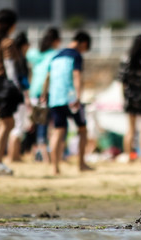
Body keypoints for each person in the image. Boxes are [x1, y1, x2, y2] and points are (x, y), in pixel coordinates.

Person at [41, 31, 93, 175]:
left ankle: (54, 168)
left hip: (55, 98)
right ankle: (81, 164)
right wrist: (78, 96)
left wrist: (44, 94)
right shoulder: (76, 55)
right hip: (71, 98)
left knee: (58, 131)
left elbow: (47, 77)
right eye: (85, 48)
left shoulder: (55, 56)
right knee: (82, 129)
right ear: (83, 43)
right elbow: (77, 75)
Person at [0, 8, 24, 176]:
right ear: (12, 25)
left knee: (6, 124)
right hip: (4, 85)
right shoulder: (7, 42)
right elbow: (9, 67)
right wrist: (16, 85)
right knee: (7, 124)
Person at [26, 27, 61, 163]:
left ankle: (38, 154)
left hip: (34, 92)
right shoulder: (55, 55)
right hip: (46, 93)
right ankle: (47, 157)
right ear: (56, 41)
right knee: (49, 125)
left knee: (39, 124)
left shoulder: (36, 55)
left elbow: (28, 53)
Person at [117, 34, 141, 163]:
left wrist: (124, 97)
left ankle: (128, 156)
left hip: (129, 96)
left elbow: (122, 80)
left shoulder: (126, 57)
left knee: (130, 128)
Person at [7, 32, 31, 163]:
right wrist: (27, 96)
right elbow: (23, 81)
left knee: (15, 126)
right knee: (18, 126)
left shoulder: (12, 59)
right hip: (19, 96)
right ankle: (13, 155)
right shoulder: (21, 60)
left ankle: (14, 154)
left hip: (10, 96)